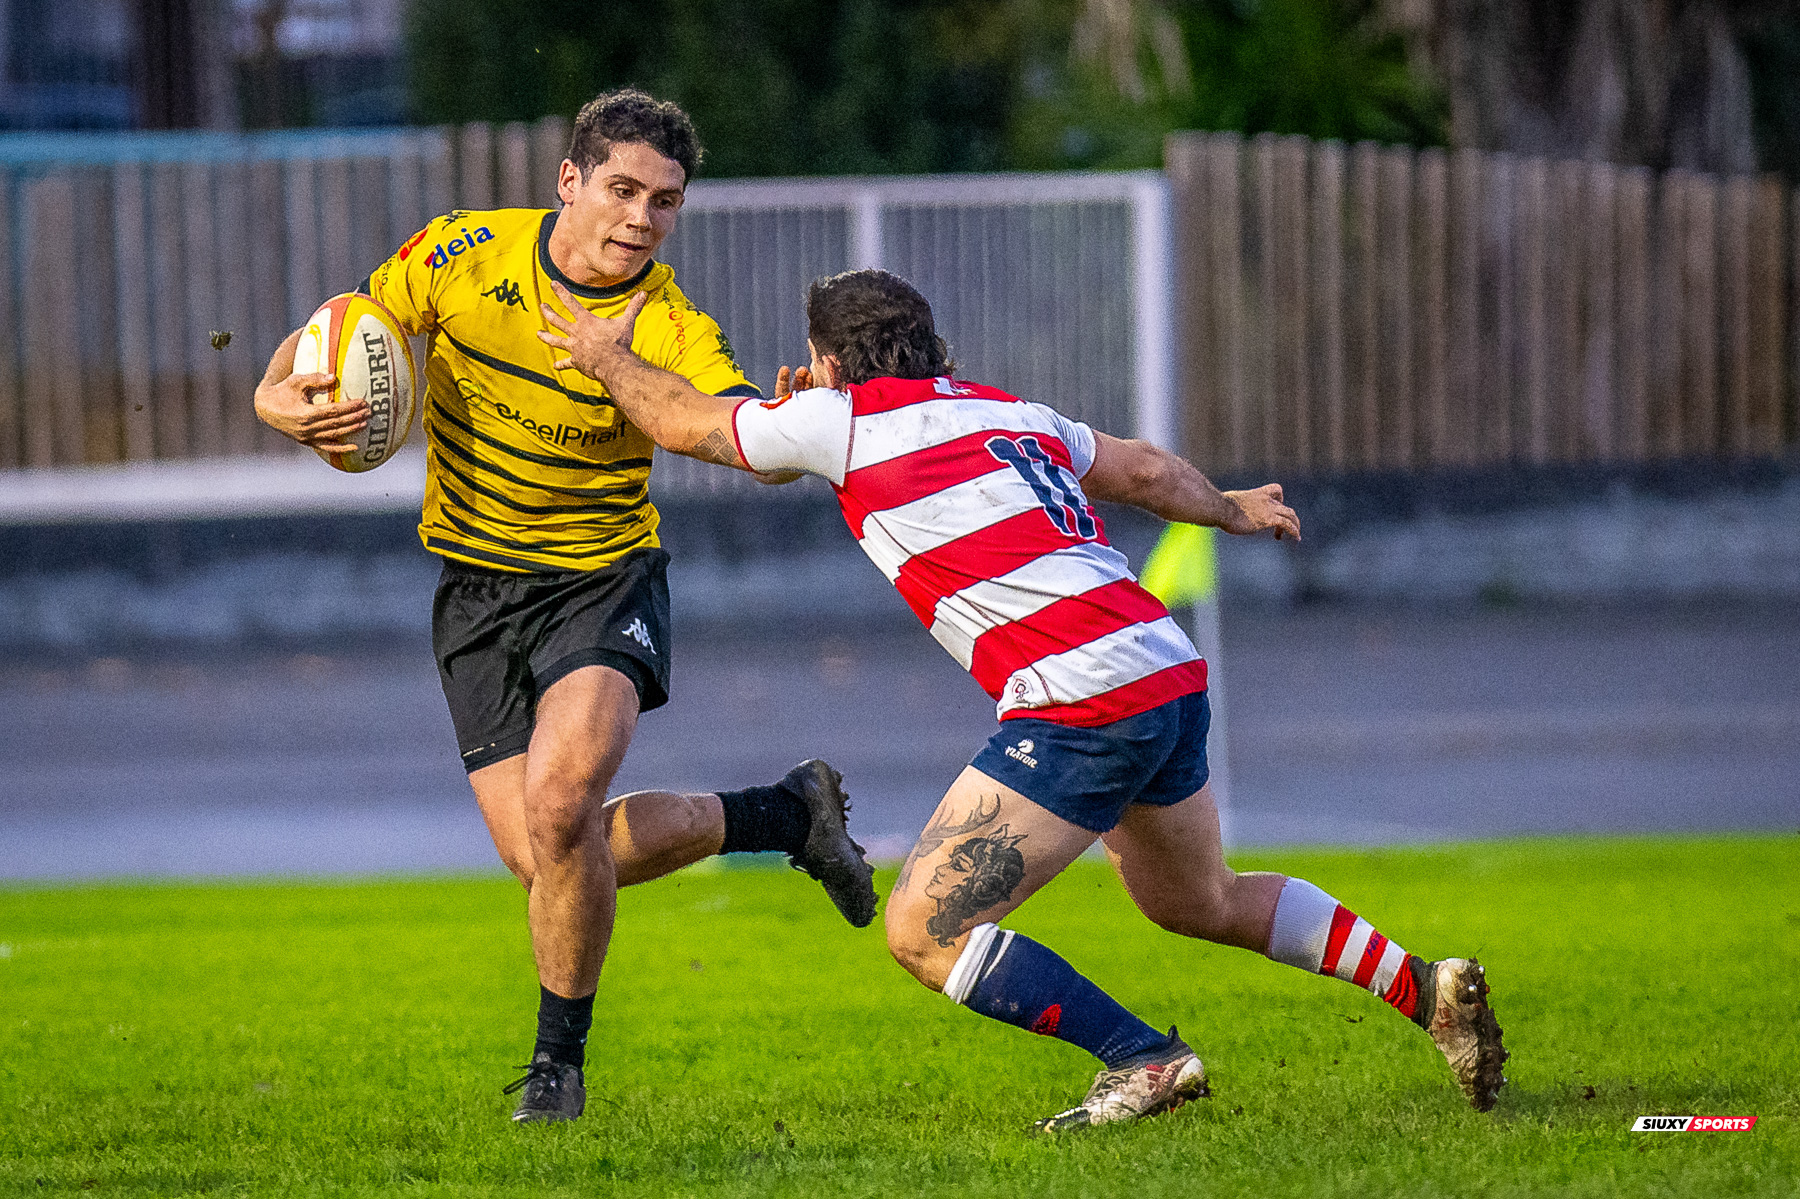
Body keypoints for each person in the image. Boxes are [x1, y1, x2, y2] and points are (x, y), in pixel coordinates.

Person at [539, 267, 1509, 1131]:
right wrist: (1228, 507)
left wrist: (603, 355)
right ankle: (1423, 986)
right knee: (1194, 897)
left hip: (1081, 695)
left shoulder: (844, 421)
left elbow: (683, 421)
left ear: (831, 359)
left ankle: (1146, 1058)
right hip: (1162, 670)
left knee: (924, 928)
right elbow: (1140, 467)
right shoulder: (1007, 409)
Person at [251, 90, 877, 1125]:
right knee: (547, 854)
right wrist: (279, 399)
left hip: (601, 581)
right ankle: (784, 812)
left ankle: (555, 1068)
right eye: (623, 190)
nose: (640, 218)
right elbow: (336, 330)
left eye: (665, 202)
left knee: (560, 801)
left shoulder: (665, 321)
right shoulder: (461, 254)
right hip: (474, 590)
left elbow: (722, 429)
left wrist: (787, 418)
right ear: (570, 182)